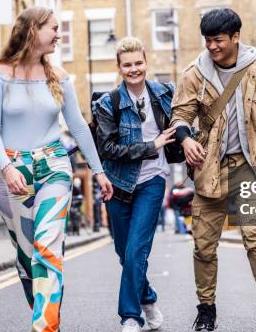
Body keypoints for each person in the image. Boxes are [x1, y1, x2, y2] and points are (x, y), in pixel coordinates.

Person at [0, 6, 113, 332]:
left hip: (54, 164)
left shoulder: (60, 77)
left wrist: (98, 171)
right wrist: (7, 167)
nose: (59, 34)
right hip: (13, 169)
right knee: (28, 261)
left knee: (47, 249)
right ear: (32, 30)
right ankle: (47, 314)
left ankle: (45, 328)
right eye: (53, 28)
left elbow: (79, 128)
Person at [171, 8, 256, 332]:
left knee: (255, 236)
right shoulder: (193, 75)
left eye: (218, 40)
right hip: (209, 168)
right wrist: (186, 141)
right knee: (203, 244)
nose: (212, 47)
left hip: (249, 166)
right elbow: (180, 118)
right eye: (208, 41)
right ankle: (206, 311)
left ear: (235, 37)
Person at [93, 36, 176, 332]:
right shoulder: (107, 103)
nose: (134, 69)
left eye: (138, 63)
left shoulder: (166, 93)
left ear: (146, 63)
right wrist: (151, 145)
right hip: (117, 184)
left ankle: (130, 316)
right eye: (127, 65)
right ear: (119, 68)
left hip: (153, 180)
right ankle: (149, 299)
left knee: (136, 250)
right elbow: (109, 149)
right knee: (123, 252)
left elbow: (186, 117)